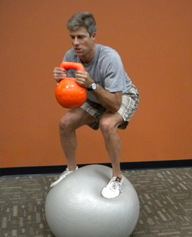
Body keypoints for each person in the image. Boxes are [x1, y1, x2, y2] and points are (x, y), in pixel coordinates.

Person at [51, 12, 139, 199]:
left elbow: (114, 105)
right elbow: (71, 96)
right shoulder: (70, 56)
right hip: (94, 98)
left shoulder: (110, 58)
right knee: (65, 123)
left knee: (107, 125)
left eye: (81, 37)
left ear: (93, 36)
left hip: (122, 96)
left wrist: (91, 84)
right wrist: (61, 82)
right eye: (72, 37)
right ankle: (71, 169)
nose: (76, 42)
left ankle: (117, 177)